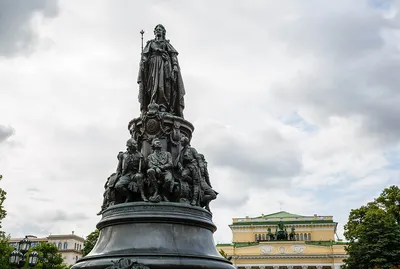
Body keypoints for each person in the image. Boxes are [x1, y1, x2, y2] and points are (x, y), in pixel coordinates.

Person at [137, 24, 185, 117]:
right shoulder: (150, 44)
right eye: (157, 30)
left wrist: (175, 65)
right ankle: (152, 102)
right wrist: (143, 62)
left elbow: (173, 55)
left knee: (162, 86)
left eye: (160, 29)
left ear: (163, 32)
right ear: (154, 32)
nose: (158, 31)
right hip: (152, 66)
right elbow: (145, 56)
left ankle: (163, 105)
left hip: (164, 66)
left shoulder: (166, 44)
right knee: (151, 86)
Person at [176, 136, 204, 206]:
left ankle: (194, 200)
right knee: (183, 175)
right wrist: (181, 167)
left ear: (186, 142)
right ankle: (193, 181)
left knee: (196, 184)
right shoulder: (182, 151)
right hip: (187, 167)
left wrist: (201, 167)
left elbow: (198, 158)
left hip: (194, 167)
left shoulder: (192, 150)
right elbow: (179, 161)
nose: (180, 143)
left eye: (182, 141)